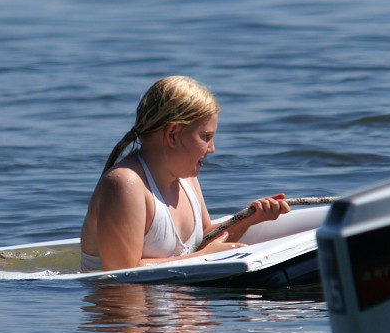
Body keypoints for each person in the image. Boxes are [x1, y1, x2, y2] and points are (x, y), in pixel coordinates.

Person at [80, 76, 289, 272]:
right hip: (125, 307)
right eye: (205, 137)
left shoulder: (186, 178)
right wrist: (205, 258)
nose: (213, 149)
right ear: (172, 135)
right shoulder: (126, 185)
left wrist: (249, 218)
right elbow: (121, 272)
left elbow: (204, 240)